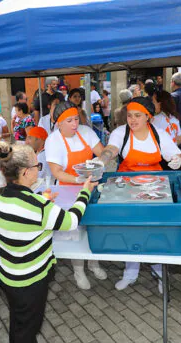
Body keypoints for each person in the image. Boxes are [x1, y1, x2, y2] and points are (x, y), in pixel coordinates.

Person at [0, 140, 97, 343]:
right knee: (28, 326)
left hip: (8, 275)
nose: (38, 170)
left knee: (19, 320)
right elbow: (71, 221)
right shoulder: (38, 207)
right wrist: (84, 192)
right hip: (30, 281)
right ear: (24, 172)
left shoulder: (0, 196)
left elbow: (24, 210)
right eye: (36, 166)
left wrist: (42, 197)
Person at [94, 97, 181, 292]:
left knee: (156, 230)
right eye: (129, 116)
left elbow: (175, 154)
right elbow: (111, 149)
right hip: (127, 187)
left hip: (155, 188)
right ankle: (130, 272)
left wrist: (176, 159)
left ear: (148, 117)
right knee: (130, 229)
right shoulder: (121, 133)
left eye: (137, 116)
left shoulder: (159, 134)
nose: (132, 120)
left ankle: (159, 271)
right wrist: (101, 160)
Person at [45, 102, 107, 289]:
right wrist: (80, 179)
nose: (75, 124)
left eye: (76, 119)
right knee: (74, 232)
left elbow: (102, 152)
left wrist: (100, 161)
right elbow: (57, 172)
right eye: (69, 121)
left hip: (91, 186)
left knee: (93, 226)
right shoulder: (53, 140)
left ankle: (94, 263)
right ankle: (78, 270)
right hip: (67, 191)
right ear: (58, 123)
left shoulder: (86, 132)